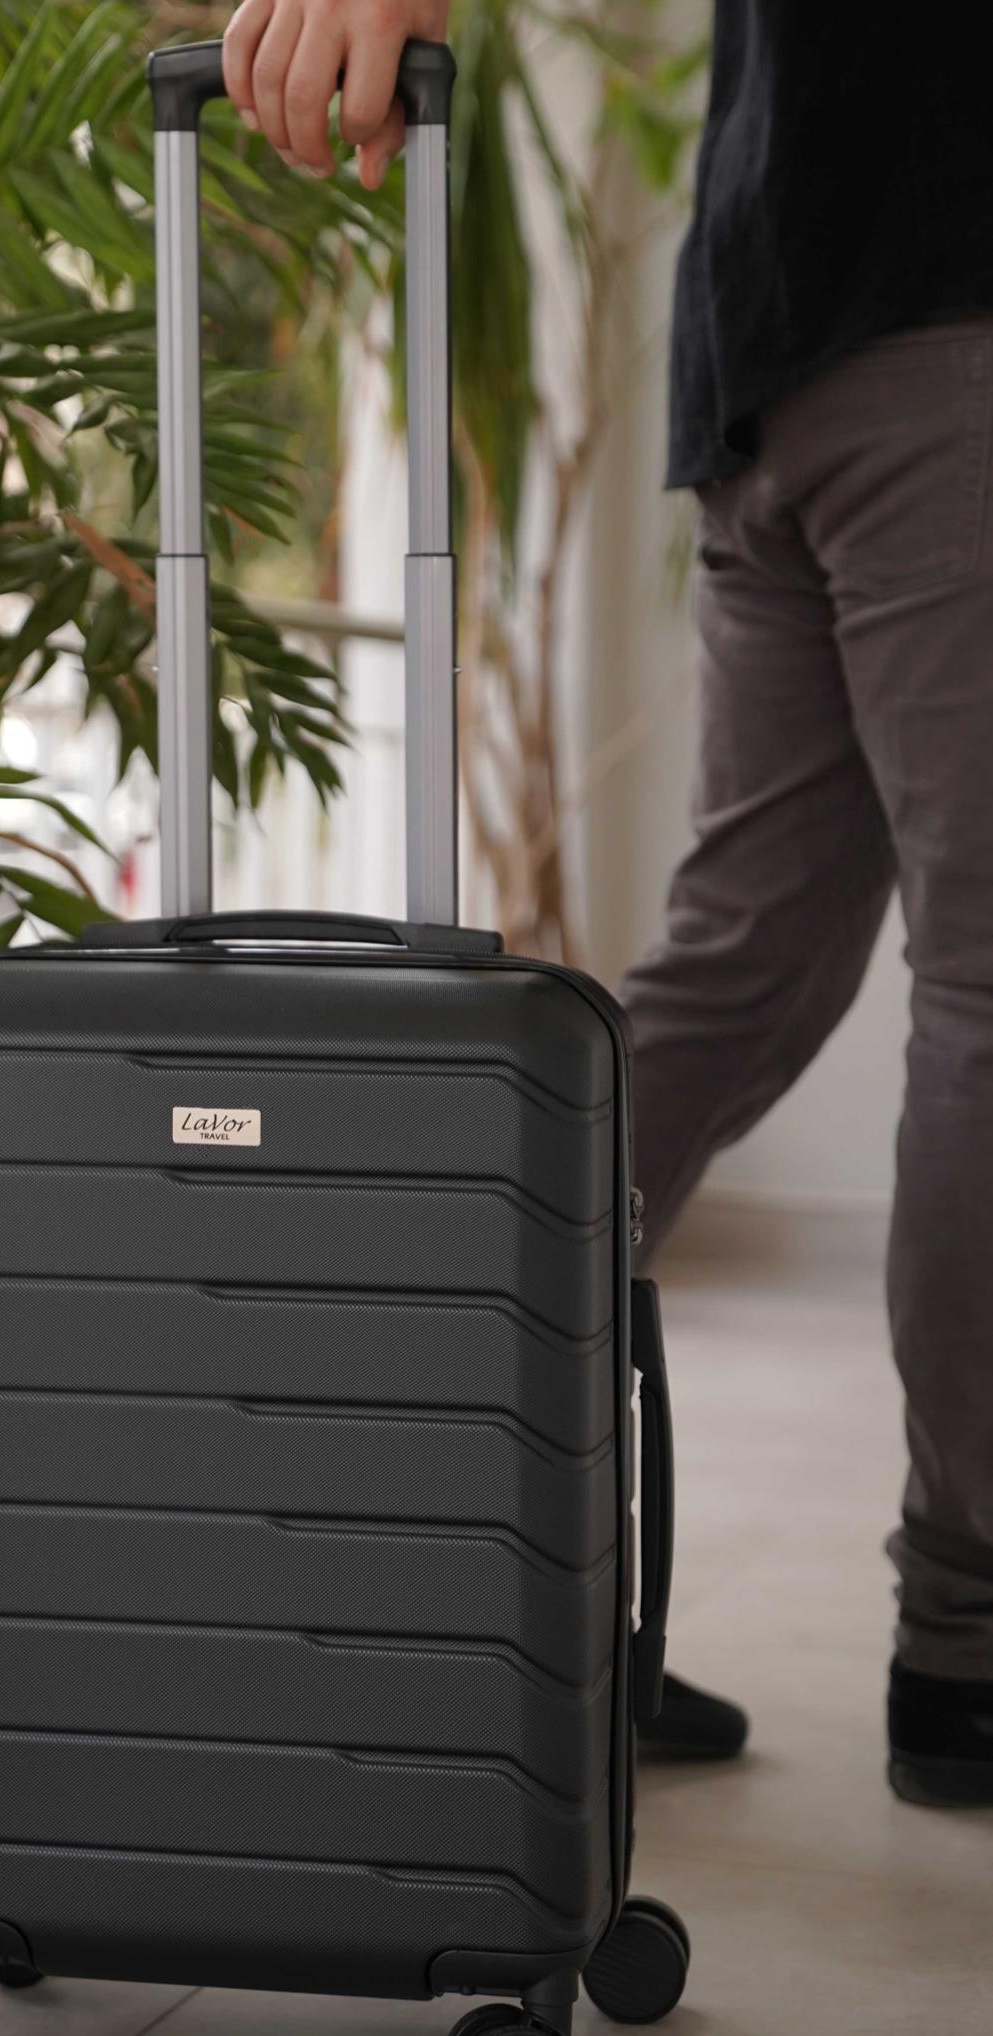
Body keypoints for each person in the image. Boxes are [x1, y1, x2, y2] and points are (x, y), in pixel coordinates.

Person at [221, 0, 993, 1804]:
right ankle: (973, 1638)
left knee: (737, 967)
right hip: (949, 308)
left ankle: (401, 1541)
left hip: (780, 338)